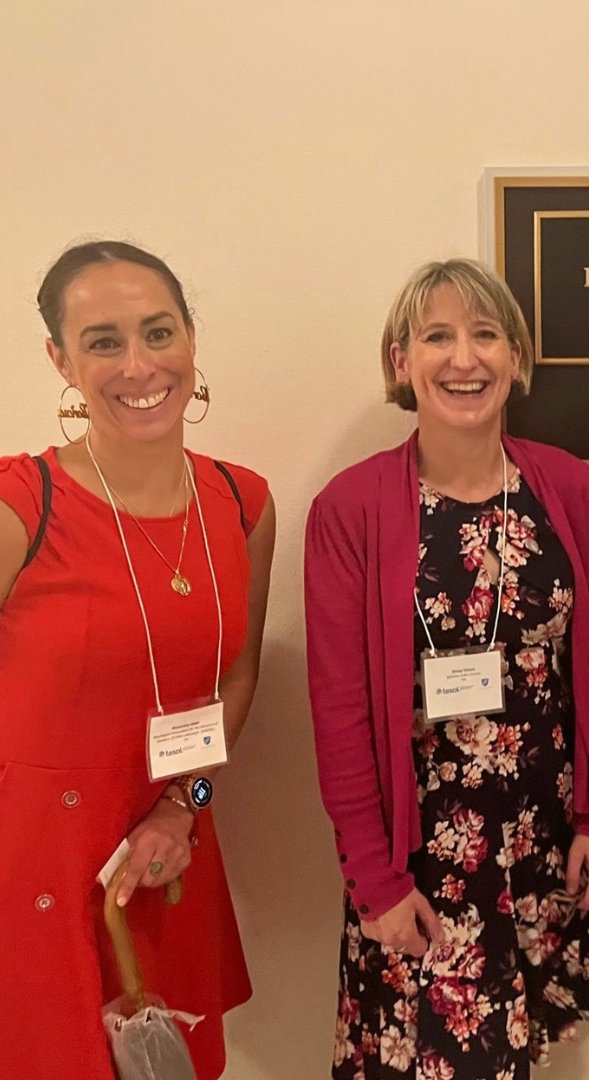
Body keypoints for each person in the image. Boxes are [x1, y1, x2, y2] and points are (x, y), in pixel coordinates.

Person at [305, 257, 589, 1079]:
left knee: (531, 1060)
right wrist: (373, 882)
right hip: (423, 862)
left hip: (545, 836)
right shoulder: (350, 509)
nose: (464, 359)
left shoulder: (562, 485)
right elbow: (338, 711)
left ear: (516, 358)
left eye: (486, 335)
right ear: (401, 363)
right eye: (437, 337)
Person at [0, 241, 275, 1078]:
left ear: (192, 338)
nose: (138, 365)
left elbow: (237, 680)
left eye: (158, 332)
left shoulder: (243, 501)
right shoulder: (22, 503)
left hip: (163, 857)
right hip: (29, 865)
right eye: (103, 341)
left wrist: (182, 808)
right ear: (60, 359)